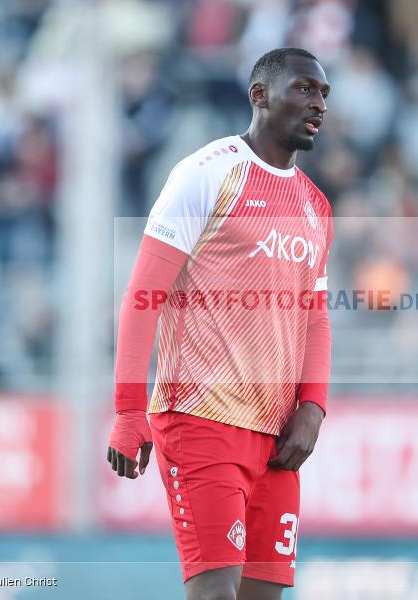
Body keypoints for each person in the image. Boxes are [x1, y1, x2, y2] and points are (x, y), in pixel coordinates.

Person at [107, 48, 333, 600]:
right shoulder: (207, 174)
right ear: (259, 95)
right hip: (199, 418)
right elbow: (143, 296)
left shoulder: (315, 205)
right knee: (215, 593)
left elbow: (316, 319)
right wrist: (128, 411)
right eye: (305, 88)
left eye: (324, 94)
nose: (318, 104)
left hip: (277, 436)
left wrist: (312, 408)